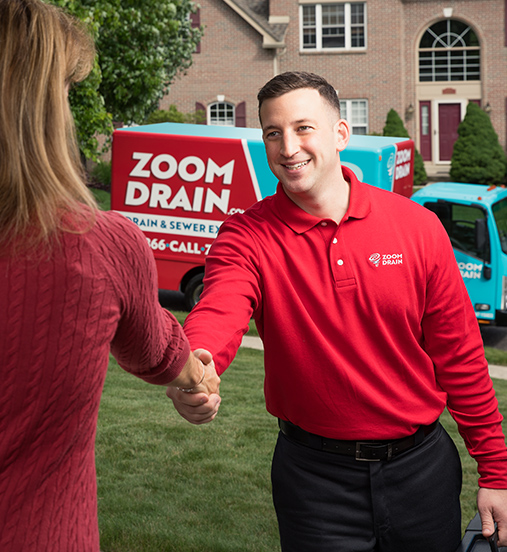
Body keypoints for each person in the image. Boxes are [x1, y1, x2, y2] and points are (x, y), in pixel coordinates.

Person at [0, 1, 219, 551]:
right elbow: (163, 355)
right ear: (47, 112)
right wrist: (195, 382)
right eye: (66, 95)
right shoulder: (104, 247)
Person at [167, 71, 507, 551]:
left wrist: (496, 472)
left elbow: (462, 358)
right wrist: (198, 362)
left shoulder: (418, 228)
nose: (288, 147)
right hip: (313, 483)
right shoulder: (246, 235)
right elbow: (219, 309)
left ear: (341, 133)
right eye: (273, 132)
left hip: (423, 473)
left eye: (303, 127)